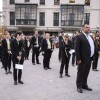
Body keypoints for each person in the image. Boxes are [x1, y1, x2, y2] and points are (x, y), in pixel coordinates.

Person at [75, 24, 95, 93]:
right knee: (80, 73)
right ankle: (79, 86)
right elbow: (77, 49)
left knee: (86, 73)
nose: (88, 29)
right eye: (87, 27)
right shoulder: (79, 36)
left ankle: (84, 85)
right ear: (83, 28)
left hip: (89, 58)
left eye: (89, 27)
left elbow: (91, 46)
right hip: (82, 59)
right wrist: (78, 59)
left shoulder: (90, 37)